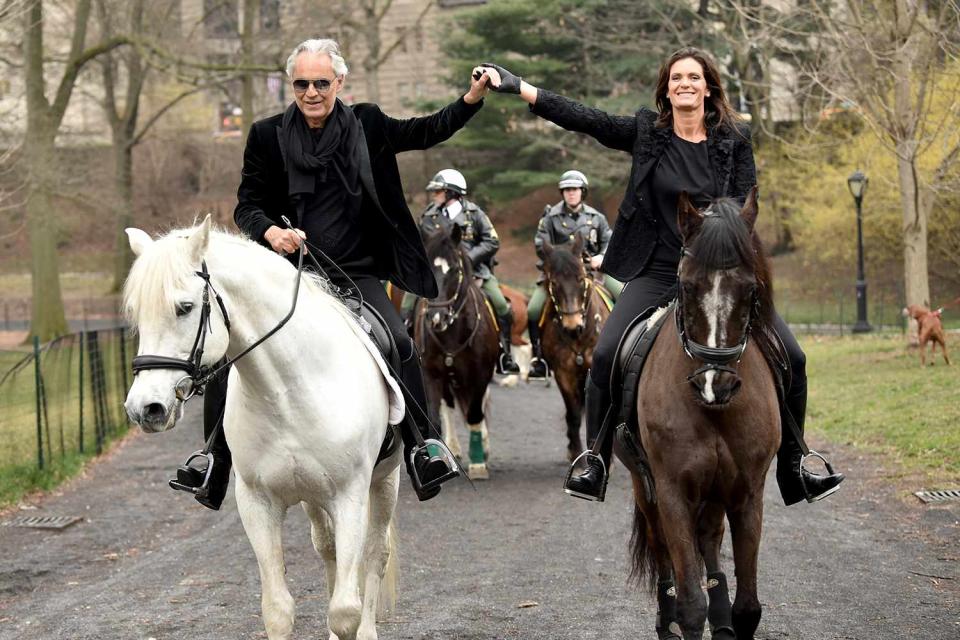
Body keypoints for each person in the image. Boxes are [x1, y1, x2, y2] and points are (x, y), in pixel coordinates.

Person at [478, 48, 844, 505]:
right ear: (666, 88)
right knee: (607, 354)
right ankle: (594, 459)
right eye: (676, 78)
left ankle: (795, 465)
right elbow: (584, 118)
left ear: (708, 86)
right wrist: (521, 88)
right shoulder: (647, 135)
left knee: (795, 356)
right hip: (655, 271)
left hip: (717, 277)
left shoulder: (735, 138)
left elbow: (746, 203)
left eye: (694, 77)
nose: (685, 84)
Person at [172, 38, 494, 508]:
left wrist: (470, 100)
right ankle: (212, 461)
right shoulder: (266, 135)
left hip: (356, 273)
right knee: (229, 353)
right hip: (288, 275)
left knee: (400, 344)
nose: (311, 92)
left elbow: (426, 130)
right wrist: (270, 234)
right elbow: (248, 205)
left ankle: (425, 448)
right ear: (292, 85)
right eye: (301, 83)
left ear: (339, 82)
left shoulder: (368, 123)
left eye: (321, 83)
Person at [401, 169, 520, 375]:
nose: (434, 195)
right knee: (407, 304)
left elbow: (492, 241)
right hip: (438, 274)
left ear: (452, 193)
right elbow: (420, 246)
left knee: (501, 305)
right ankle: (409, 353)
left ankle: (504, 353)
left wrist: (467, 260)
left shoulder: (475, 214)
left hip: (476, 271)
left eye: (439, 191)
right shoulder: (429, 216)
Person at [527, 170, 622, 379]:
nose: (571, 193)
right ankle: (539, 358)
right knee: (533, 309)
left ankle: (626, 350)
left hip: (592, 271)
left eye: (575, 190)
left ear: (582, 192)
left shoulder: (596, 218)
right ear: (562, 193)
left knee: (623, 295)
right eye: (567, 190)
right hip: (558, 274)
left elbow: (610, 242)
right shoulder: (549, 218)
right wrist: (561, 260)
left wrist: (601, 257)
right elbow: (540, 245)